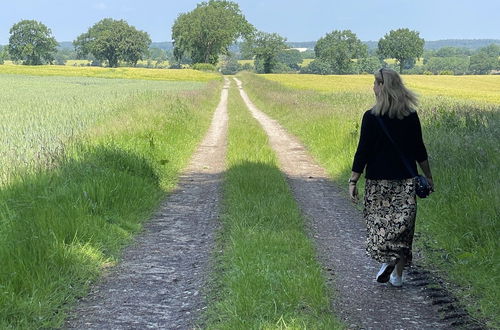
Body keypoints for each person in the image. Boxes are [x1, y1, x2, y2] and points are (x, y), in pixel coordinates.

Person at [348, 68, 434, 287]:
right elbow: (419, 150)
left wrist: (353, 180)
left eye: (376, 83)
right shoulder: (410, 116)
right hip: (405, 181)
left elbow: (363, 151)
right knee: (403, 229)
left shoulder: (371, 117)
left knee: (380, 225)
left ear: (383, 87)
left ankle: (388, 259)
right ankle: (398, 275)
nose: (373, 87)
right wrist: (428, 176)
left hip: (378, 183)